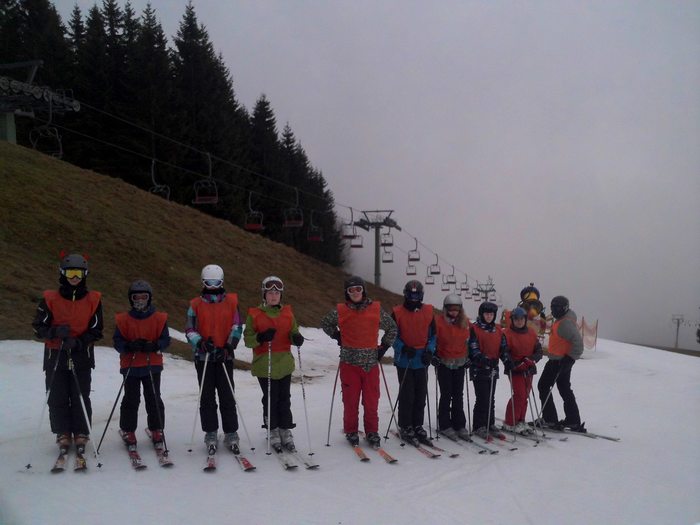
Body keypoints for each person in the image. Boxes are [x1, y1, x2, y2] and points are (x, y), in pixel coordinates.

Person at [32, 253, 104, 450]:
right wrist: (54, 332)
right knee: (57, 395)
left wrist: (79, 342)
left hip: (81, 354)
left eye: (78, 274)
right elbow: (38, 327)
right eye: (71, 273)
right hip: (56, 353)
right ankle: (62, 431)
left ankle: (81, 431)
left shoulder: (93, 300)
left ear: (85, 275)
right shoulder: (50, 298)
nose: (74, 278)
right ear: (63, 273)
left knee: (80, 394)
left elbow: (96, 330)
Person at [320, 275, 397, 448]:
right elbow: (325, 323)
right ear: (346, 293)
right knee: (350, 400)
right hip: (349, 364)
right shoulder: (341, 310)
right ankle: (351, 431)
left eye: (358, 289)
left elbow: (392, 327)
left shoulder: (375, 309)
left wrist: (383, 347)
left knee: (371, 401)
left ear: (363, 291)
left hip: (371, 364)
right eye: (351, 290)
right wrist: (337, 336)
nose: (355, 292)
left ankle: (372, 431)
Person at [243, 276, 304, 452]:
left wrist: (296, 338)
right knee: (270, 399)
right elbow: (248, 340)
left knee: (285, 398)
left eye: (277, 293)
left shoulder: (288, 313)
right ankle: (272, 429)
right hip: (265, 364)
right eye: (270, 293)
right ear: (264, 294)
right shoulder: (254, 314)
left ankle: (285, 428)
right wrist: (260, 337)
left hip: (284, 363)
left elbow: (293, 332)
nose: (273, 296)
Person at [185, 264, 242, 451]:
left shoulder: (231, 302)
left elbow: (237, 326)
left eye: (216, 282)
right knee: (207, 397)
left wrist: (228, 346)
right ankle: (210, 431)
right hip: (204, 357)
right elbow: (190, 329)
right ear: (203, 282)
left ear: (222, 282)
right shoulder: (195, 305)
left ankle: (231, 432)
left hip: (224, 357)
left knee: (227, 395)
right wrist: (201, 343)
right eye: (208, 282)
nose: (212, 286)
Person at [113, 280, 171, 449]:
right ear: (130, 299)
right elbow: (117, 341)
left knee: (153, 397)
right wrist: (128, 346)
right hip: (131, 365)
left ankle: (157, 428)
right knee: (131, 399)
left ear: (149, 298)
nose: (140, 301)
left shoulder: (159, 318)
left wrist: (155, 345)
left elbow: (166, 339)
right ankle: (128, 429)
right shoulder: (123, 319)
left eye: (143, 297)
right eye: (136, 297)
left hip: (151, 364)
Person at [391, 280, 436, 446]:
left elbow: (433, 335)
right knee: (407, 395)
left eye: (417, 295)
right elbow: (392, 336)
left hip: (422, 359)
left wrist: (429, 351)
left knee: (420, 394)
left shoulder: (428, 312)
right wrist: (402, 347)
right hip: (405, 360)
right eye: (411, 295)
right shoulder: (397, 312)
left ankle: (417, 424)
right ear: (406, 294)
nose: (414, 298)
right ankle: (405, 425)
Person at [537, 295, 586, 432]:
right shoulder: (562, 320)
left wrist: (569, 359)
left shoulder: (565, 323)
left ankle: (550, 419)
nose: (554, 311)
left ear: (564, 308)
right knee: (564, 388)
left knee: (543, 386)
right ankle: (573, 419)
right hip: (560, 360)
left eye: (557, 308)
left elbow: (578, 344)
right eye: (552, 307)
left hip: (558, 362)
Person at [468, 301, 512, 439]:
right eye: (486, 314)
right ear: (482, 314)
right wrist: (484, 359)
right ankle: (479, 425)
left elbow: (503, 348)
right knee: (483, 397)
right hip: (479, 368)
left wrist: (506, 360)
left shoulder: (498, 330)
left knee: (491, 398)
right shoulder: (475, 329)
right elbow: (473, 348)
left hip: (493, 368)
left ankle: (489, 423)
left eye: (491, 314)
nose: (489, 316)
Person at [433, 293, 471, 441]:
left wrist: (469, 357)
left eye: (456, 309)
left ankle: (459, 424)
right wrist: (434, 355)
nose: (454, 312)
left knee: (458, 394)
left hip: (459, 363)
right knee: (446, 394)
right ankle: (444, 424)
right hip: (444, 363)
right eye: (451, 309)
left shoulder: (465, 323)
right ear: (445, 308)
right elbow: (432, 339)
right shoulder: (439, 322)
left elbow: (469, 342)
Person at [501, 307, 542, 434]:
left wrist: (532, 359)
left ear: (525, 320)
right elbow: (504, 352)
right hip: (516, 369)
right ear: (512, 320)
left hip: (528, 368)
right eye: (516, 319)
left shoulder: (531, 333)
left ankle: (520, 420)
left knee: (525, 396)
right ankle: (510, 422)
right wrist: (512, 364)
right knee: (519, 395)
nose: (519, 322)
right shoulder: (507, 333)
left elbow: (538, 350)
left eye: (521, 319)